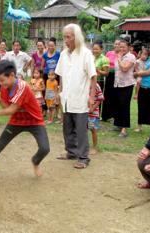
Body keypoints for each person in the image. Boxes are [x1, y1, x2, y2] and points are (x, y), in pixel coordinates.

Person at [0, 60, 50, 177]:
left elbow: (10, 110)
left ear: (12, 75)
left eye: (2, 80)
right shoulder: (4, 87)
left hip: (34, 121)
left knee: (45, 148)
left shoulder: (22, 86)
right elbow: (6, 107)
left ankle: (35, 161)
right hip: (17, 121)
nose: (0, 83)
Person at [55, 24, 97, 169]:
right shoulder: (63, 54)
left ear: (76, 37)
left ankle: (84, 157)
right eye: (64, 36)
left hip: (80, 98)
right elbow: (60, 76)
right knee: (67, 128)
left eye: (68, 37)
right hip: (66, 98)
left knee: (80, 130)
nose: (65, 40)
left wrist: (91, 97)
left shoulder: (86, 54)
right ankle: (71, 152)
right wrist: (58, 93)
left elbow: (93, 77)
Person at [113, 40, 136, 137]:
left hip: (127, 84)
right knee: (118, 104)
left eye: (124, 47)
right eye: (120, 47)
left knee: (124, 106)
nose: (121, 49)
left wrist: (118, 58)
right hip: (118, 84)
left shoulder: (131, 56)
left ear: (129, 47)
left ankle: (124, 129)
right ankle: (118, 124)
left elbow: (124, 68)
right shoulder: (120, 56)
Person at [102, 39, 120, 122]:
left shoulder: (121, 55)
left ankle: (113, 116)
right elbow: (105, 63)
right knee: (107, 95)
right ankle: (105, 116)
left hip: (117, 76)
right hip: (109, 76)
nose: (117, 45)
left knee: (115, 96)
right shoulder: (109, 53)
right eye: (115, 44)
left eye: (119, 44)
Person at [88, 83, 104, 155]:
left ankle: (94, 147)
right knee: (82, 129)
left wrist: (93, 108)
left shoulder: (96, 86)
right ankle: (84, 146)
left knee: (92, 129)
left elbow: (99, 99)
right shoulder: (83, 83)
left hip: (93, 114)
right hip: (83, 111)